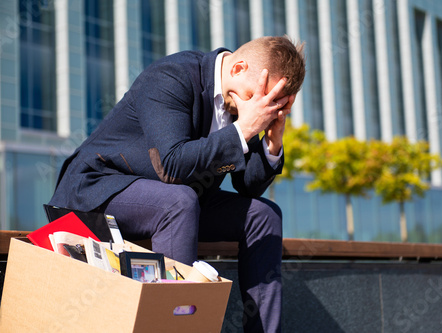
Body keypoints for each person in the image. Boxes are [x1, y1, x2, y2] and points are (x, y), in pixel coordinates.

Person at [49, 35, 305, 332]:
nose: (258, 110)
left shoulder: (238, 105)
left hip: (176, 198)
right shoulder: (172, 76)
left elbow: (247, 186)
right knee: (179, 201)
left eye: (272, 106)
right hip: (100, 188)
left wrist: (272, 141)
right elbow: (170, 164)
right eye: (256, 98)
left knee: (263, 215)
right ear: (238, 68)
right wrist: (244, 128)